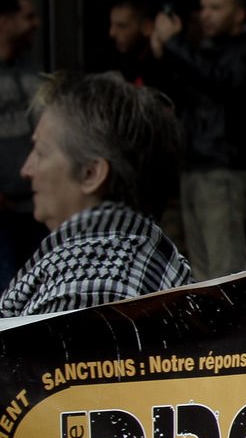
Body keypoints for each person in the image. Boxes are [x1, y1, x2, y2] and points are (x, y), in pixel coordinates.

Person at [1, 72, 191, 317]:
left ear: (91, 174)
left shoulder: (85, 291)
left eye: (40, 152)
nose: (26, 170)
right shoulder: (141, 255)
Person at [150, 0, 246, 280]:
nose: (206, 15)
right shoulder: (201, 49)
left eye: (216, 8)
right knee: (199, 265)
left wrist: (175, 43)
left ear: (239, 14)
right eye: (203, 8)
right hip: (193, 164)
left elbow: (222, 83)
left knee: (224, 265)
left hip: (222, 167)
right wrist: (165, 52)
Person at [0, 0, 43, 288]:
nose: (35, 23)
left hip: (38, 205)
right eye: (27, 16)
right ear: (4, 21)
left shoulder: (32, 69)